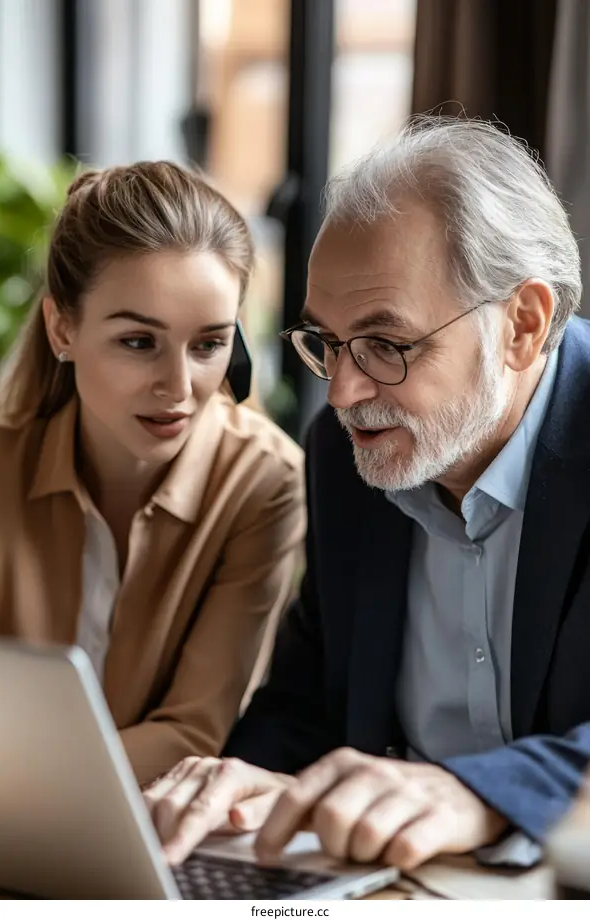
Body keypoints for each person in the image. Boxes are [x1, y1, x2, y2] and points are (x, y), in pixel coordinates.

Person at [141, 116, 590, 871]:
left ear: (522, 324)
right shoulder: (343, 456)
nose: (345, 393)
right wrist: (253, 782)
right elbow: (309, 700)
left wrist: (478, 793)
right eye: (327, 341)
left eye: (387, 344)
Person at [0, 161, 305, 787]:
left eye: (209, 344)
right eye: (139, 342)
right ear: (63, 328)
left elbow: (192, 732)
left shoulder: (263, 482)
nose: (179, 387)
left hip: (146, 831)